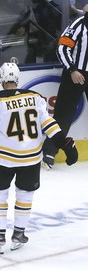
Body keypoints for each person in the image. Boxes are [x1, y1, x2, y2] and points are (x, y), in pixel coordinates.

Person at [0, 62, 78, 255]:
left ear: (1, 80)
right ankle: (19, 234)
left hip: (3, 160)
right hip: (31, 159)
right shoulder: (36, 98)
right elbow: (49, 125)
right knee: (25, 195)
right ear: (17, 79)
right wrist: (65, 144)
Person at [42, 12, 88, 168]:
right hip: (75, 75)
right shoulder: (78, 25)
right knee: (63, 114)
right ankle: (49, 152)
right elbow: (62, 47)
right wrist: (72, 69)